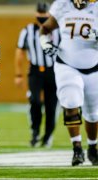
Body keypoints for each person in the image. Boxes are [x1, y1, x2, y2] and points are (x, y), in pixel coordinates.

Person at [39, 0, 98, 166]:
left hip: (94, 65)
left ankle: (93, 147)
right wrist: (45, 43)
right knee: (70, 104)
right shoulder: (62, 5)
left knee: (93, 114)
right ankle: (77, 148)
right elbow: (45, 29)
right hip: (67, 63)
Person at [14, 1, 60, 148]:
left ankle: (47, 136)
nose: (42, 16)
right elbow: (20, 51)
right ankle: (35, 132)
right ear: (36, 14)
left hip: (54, 70)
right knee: (34, 100)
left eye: (44, 14)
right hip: (35, 71)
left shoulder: (58, 30)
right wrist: (18, 74)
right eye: (40, 14)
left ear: (49, 14)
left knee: (51, 106)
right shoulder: (28, 30)